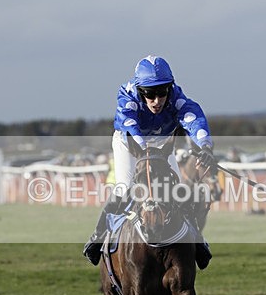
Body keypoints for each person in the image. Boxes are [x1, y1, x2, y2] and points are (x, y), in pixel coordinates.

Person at [83, 55, 217, 268]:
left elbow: (194, 118)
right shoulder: (127, 96)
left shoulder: (176, 98)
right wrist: (146, 151)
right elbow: (131, 125)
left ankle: (197, 240)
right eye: (149, 94)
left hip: (161, 145)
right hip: (130, 144)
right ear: (139, 91)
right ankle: (97, 237)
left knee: (177, 191)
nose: (157, 100)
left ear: (169, 88)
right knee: (125, 188)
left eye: (162, 92)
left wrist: (205, 147)